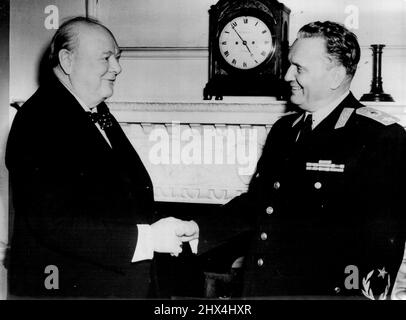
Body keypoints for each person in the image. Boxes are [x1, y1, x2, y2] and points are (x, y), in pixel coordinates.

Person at [198, 21, 406, 299]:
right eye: (288, 65)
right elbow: (259, 205)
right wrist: (198, 229)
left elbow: (382, 244)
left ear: (335, 76)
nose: (285, 76)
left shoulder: (380, 137)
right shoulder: (284, 130)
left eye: (299, 68)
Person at [6, 17, 198, 299]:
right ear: (68, 61)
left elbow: (121, 196)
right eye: (106, 58)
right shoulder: (38, 119)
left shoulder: (95, 109)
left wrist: (168, 229)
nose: (118, 68)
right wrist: (148, 238)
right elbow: (54, 223)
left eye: (117, 58)